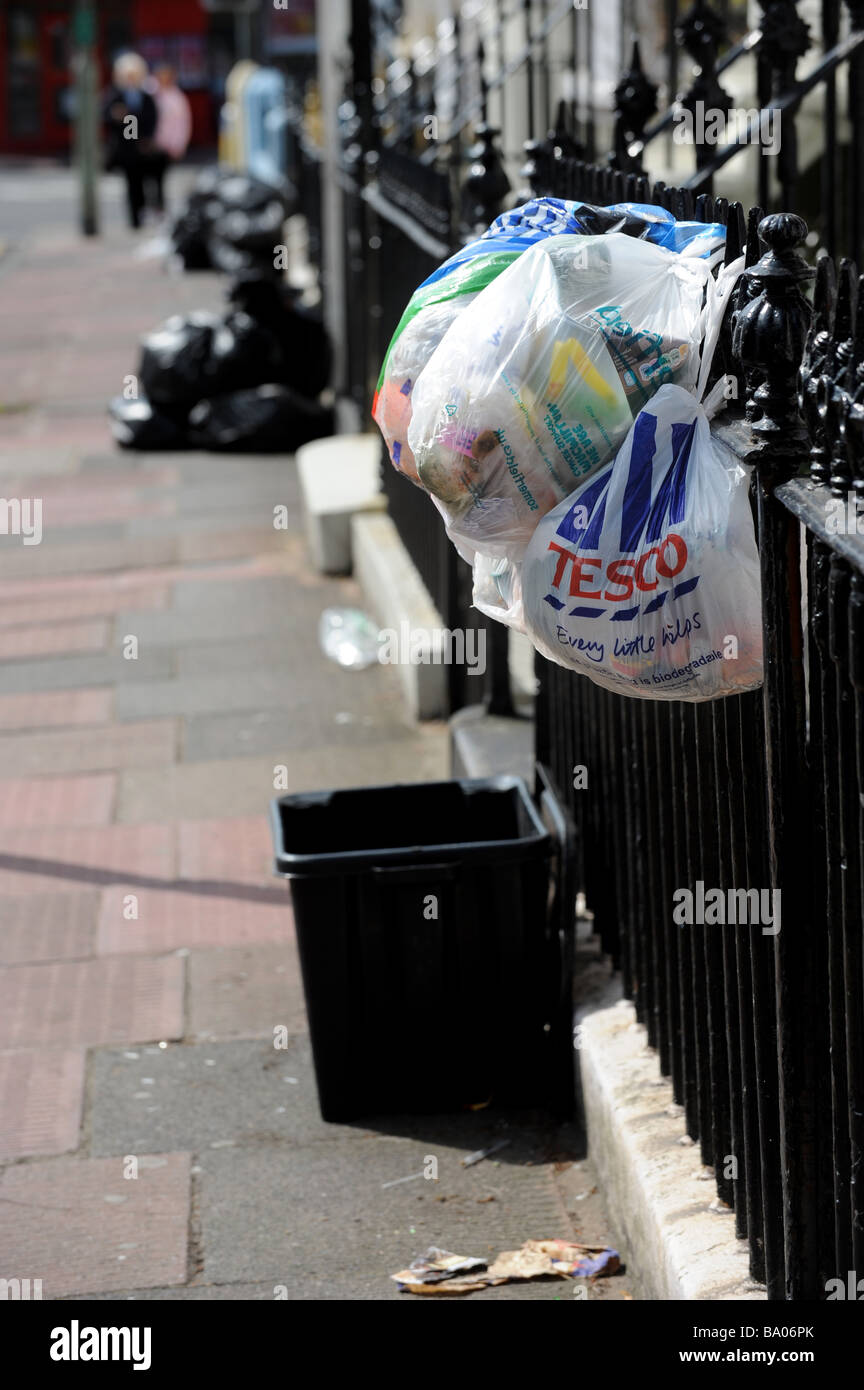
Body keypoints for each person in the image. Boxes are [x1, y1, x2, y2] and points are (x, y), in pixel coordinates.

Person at [103, 53, 157, 230]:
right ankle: (134, 218)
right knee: (131, 184)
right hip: (125, 148)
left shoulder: (144, 96)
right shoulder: (116, 95)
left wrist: (147, 137)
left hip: (142, 146)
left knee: (146, 182)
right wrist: (116, 116)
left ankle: (144, 211)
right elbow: (106, 116)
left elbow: (152, 118)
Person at [145, 65, 192, 216]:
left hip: (166, 145)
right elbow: (132, 118)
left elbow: (183, 123)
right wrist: (131, 138)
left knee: (159, 178)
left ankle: (159, 207)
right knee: (145, 178)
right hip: (146, 143)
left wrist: (179, 145)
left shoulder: (176, 97)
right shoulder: (149, 92)